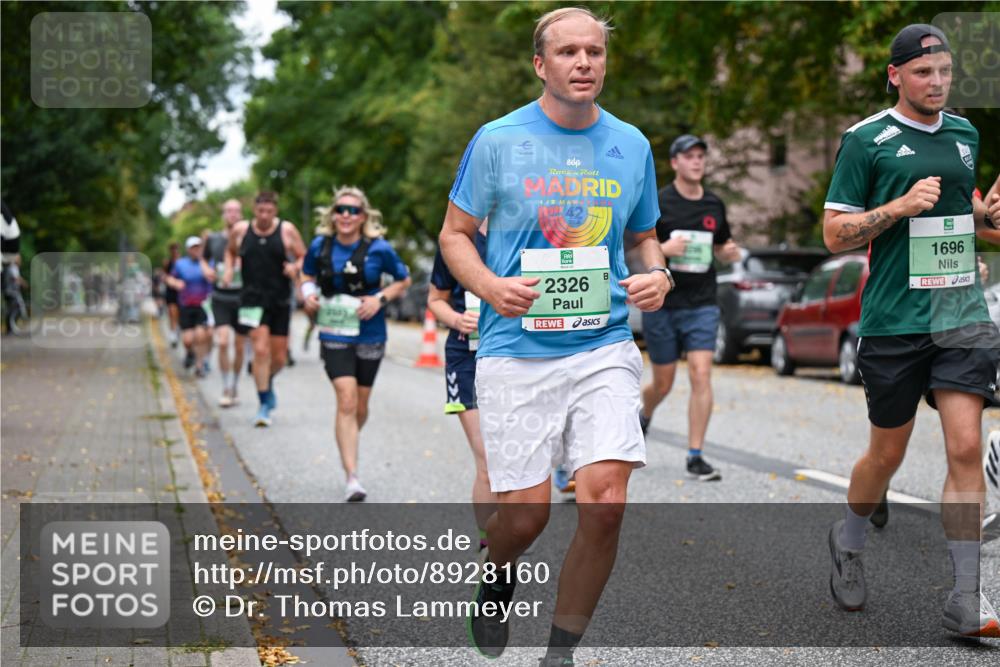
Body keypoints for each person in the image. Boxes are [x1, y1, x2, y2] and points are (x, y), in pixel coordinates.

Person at [439, 8, 671, 664]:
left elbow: (644, 236)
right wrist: (488, 287)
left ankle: (559, 652)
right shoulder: (498, 139)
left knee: (605, 503)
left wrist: (658, 276)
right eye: (568, 52)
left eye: (594, 51)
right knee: (526, 516)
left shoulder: (632, 144)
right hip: (516, 351)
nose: (584, 63)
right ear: (540, 64)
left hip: (602, 346)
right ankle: (497, 570)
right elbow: (455, 234)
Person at [823, 24, 1000, 636]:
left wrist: (986, 219)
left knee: (966, 447)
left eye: (946, 72)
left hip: (960, 314)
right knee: (886, 455)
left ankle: (966, 598)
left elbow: (964, 215)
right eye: (925, 73)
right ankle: (847, 540)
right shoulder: (865, 141)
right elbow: (833, 234)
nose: (938, 83)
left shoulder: (965, 134)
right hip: (894, 321)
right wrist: (897, 207)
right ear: (896, 75)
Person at [638, 134, 741, 481]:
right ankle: (644, 414)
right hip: (664, 303)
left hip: (702, 302)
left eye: (701, 156)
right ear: (675, 163)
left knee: (701, 373)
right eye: (689, 156)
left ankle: (695, 454)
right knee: (663, 383)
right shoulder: (659, 202)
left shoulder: (714, 204)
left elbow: (723, 244)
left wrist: (728, 253)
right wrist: (666, 248)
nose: (697, 161)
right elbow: (643, 245)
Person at [301, 186, 410, 502]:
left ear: (363, 217)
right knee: (346, 400)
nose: (346, 215)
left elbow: (403, 280)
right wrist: (307, 294)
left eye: (353, 211)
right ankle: (352, 476)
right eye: (340, 210)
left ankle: (347, 434)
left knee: (360, 406)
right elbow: (305, 275)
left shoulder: (380, 249)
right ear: (333, 215)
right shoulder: (320, 246)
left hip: (370, 333)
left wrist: (379, 298)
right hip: (334, 331)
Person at [428, 224, 497, 546]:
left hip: (514, 356)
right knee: (487, 456)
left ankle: (511, 529)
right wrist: (456, 319)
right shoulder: (456, 238)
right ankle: (488, 539)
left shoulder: (521, 229)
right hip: (465, 356)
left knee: (512, 454)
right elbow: (436, 299)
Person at [224, 192, 306, 427]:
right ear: (254, 210)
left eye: (269, 212)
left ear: (275, 211)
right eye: (261, 211)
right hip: (251, 299)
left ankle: (266, 380)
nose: (264, 216)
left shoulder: (287, 231)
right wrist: (230, 269)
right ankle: (263, 404)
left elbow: (303, 256)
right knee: (260, 350)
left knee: (278, 357)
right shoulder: (240, 230)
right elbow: (230, 252)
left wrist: (294, 267)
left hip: (279, 299)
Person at [204, 199, 246, 406]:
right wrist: (206, 269)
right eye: (229, 211)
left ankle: (235, 384)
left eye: (236, 211)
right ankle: (226, 385)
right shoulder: (213, 239)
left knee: (239, 347)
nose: (232, 214)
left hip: (242, 297)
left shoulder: (248, 238)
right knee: (222, 342)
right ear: (223, 214)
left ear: (241, 214)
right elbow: (203, 259)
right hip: (220, 295)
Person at [166, 237, 214, 377]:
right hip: (186, 305)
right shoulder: (180, 264)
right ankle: (191, 353)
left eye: (199, 247)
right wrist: (175, 283)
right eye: (193, 247)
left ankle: (200, 366)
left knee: (200, 336)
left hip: (203, 306)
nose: (196, 250)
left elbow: (215, 277)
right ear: (188, 250)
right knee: (187, 339)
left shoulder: (208, 263)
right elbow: (169, 278)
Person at [163, 243, 181, 347]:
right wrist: (169, 281)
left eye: (176, 249)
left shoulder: (183, 262)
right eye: (173, 250)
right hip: (171, 291)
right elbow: (165, 276)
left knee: (178, 314)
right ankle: (173, 332)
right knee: (172, 312)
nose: (175, 252)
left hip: (181, 292)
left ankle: (176, 328)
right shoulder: (167, 263)